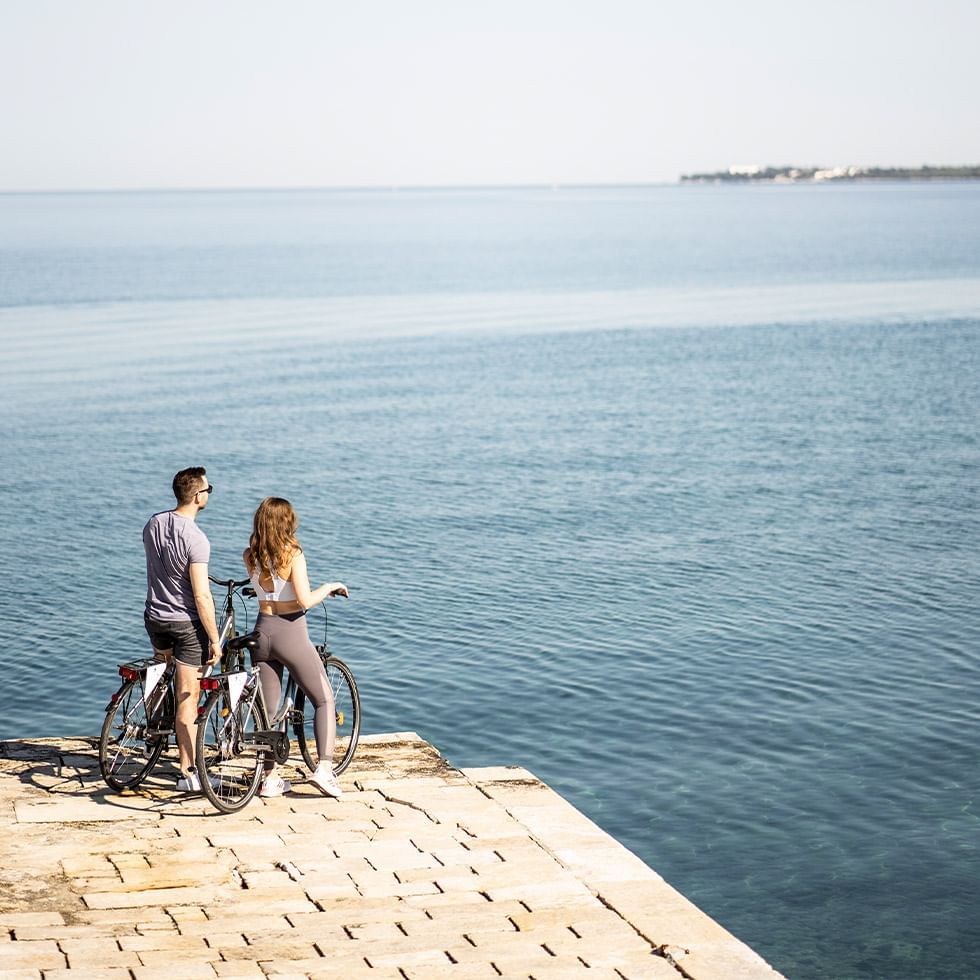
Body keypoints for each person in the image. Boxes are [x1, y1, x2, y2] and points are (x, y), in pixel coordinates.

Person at [244, 496, 348, 798]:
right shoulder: (294, 554)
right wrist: (328, 587)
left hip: (262, 633)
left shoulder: (250, 555)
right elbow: (303, 600)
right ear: (287, 522)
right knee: (323, 699)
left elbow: (266, 590)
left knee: (269, 711)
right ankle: (325, 770)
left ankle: (271, 777)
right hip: (291, 632)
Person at [143, 467, 222, 793]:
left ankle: (154, 735)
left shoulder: (153, 524)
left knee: (162, 674)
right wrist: (215, 639)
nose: (208, 494)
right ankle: (188, 772)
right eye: (208, 489)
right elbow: (202, 595)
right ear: (197, 496)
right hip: (185, 624)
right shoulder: (197, 539)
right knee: (188, 699)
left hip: (154, 618)